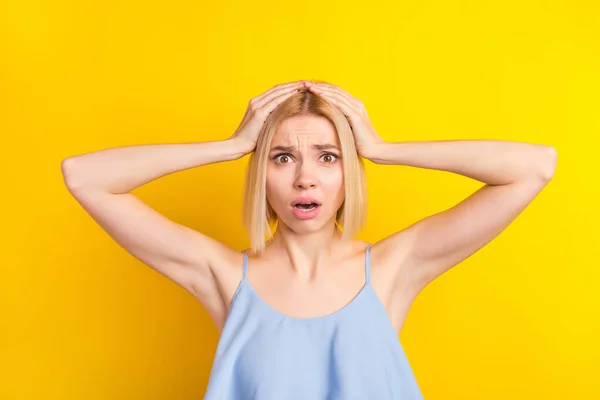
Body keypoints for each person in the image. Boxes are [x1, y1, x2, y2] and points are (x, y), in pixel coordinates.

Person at [61, 79, 557, 399]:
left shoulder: (392, 267)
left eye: (328, 156)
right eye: (281, 158)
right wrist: (231, 146)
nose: (305, 179)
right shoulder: (225, 277)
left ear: (349, 172)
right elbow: (83, 176)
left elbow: (535, 168)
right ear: (262, 174)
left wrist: (382, 149)